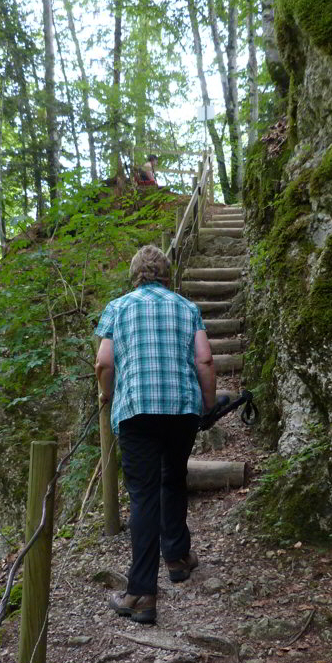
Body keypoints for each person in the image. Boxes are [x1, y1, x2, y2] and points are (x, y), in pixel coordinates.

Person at [95, 245, 216, 624]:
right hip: (180, 407)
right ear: (167, 274)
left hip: (137, 411)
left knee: (144, 497)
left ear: (135, 275)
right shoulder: (186, 308)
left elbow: (103, 362)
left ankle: (142, 592)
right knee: (174, 480)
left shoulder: (117, 307)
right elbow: (205, 359)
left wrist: (109, 395)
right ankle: (178, 558)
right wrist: (208, 403)